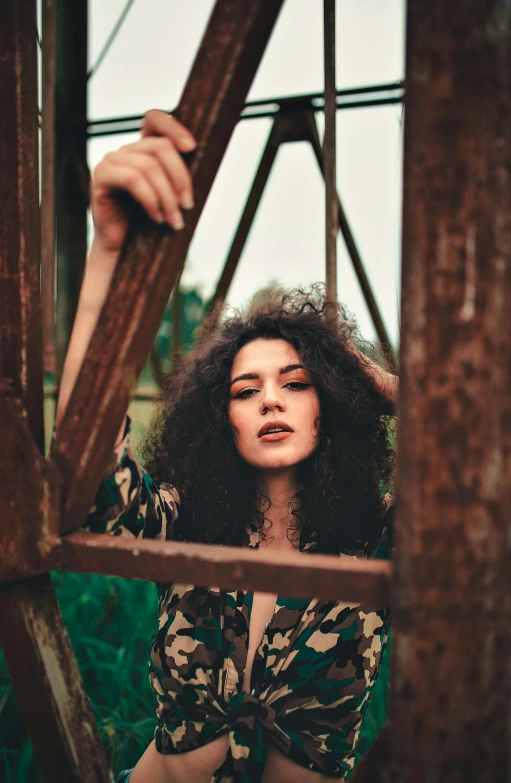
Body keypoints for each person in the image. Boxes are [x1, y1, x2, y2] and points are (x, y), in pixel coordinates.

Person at [55, 110, 398, 783]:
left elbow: (497, 493)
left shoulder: (378, 534)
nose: (270, 399)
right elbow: (84, 476)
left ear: (330, 406)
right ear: (222, 419)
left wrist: (400, 391)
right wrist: (107, 257)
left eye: (296, 383)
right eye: (246, 390)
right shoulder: (188, 521)